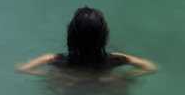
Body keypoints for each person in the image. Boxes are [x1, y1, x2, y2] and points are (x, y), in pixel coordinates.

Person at [16, 7, 157, 77]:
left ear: (70, 36)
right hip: (103, 89)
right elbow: (150, 67)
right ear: (104, 36)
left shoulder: (53, 59)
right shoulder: (116, 59)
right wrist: (123, 76)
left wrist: (53, 75)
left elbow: (23, 69)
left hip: (69, 89)